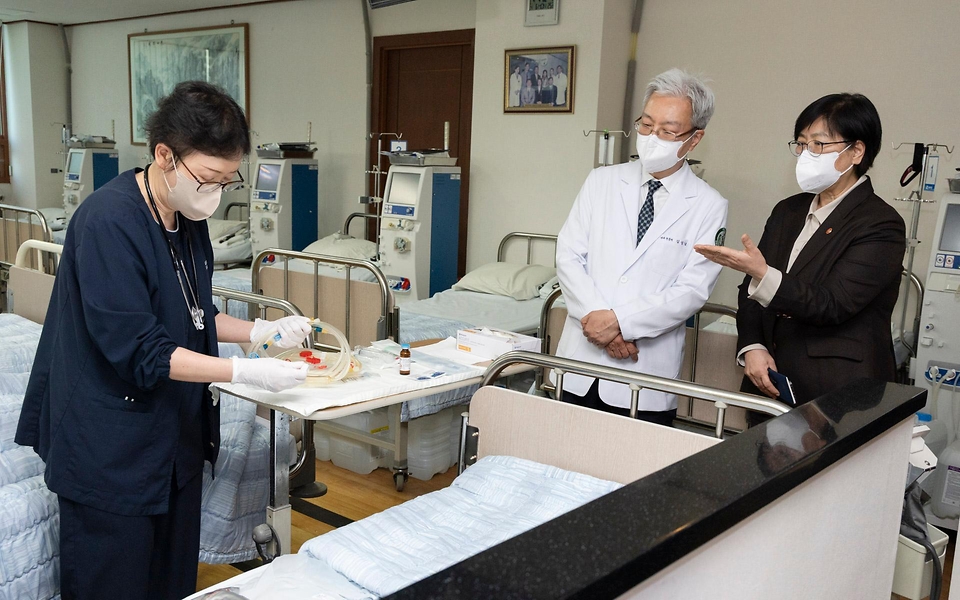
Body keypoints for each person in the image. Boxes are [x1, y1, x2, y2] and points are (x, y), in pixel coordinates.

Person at [15, 81, 314, 600]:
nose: (215, 193)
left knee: (172, 584)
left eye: (227, 180)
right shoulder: (109, 222)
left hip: (174, 442)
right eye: (208, 178)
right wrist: (244, 371)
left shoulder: (187, 216)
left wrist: (259, 332)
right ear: (164, 155)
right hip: (109, 450)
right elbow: (142, 349)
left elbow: (193, 313)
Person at [694, 93, 905, 421]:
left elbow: (831, 304)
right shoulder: (788, 211)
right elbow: (750, 292)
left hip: (836, 398)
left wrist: (764, 276)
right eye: (802, 144)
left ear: (856, 151)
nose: (807, 154)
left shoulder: (880, 223)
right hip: (769, 385)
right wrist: (753, 346)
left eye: (818, 144)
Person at [554, 68, 728, 425]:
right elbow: (569, 255)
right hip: (579, 363)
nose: (652, 137)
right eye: (646, 125)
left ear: (694, 139)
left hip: (644, 373)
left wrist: (621, 323)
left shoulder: (709, 205)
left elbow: (691, 291)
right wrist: (601, 326)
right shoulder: (601, 181)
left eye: (667, 131)